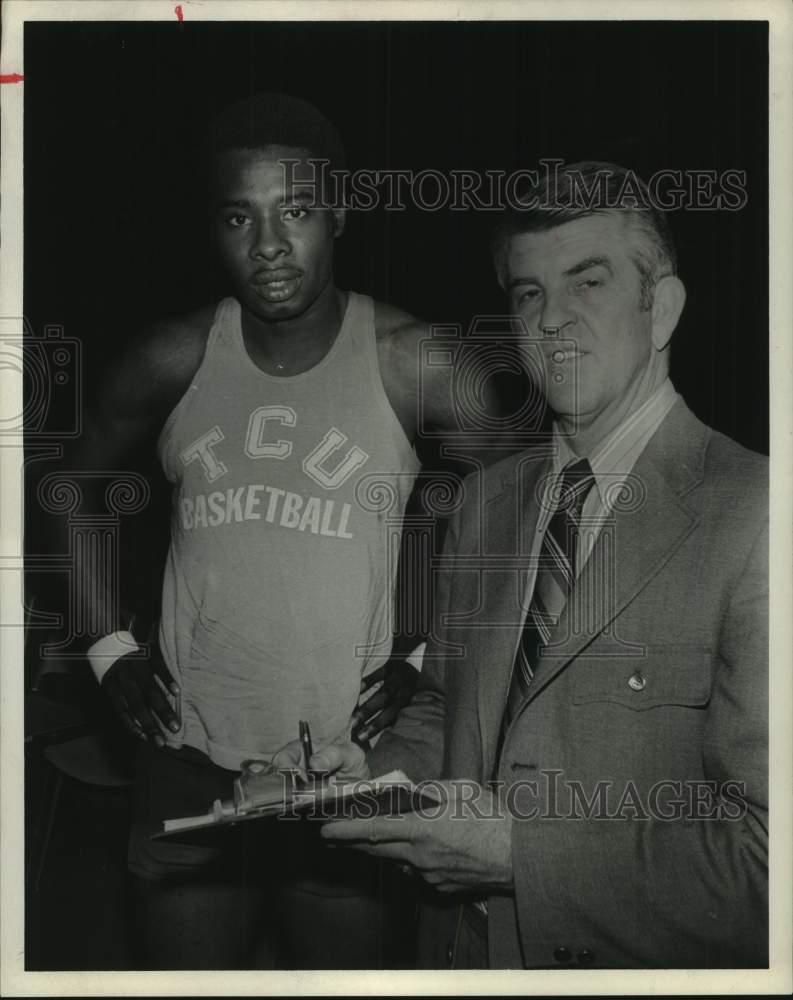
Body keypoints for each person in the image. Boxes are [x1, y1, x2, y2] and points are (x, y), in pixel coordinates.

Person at [296, 161, 769, 969]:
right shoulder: (483, 502)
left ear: (664, 309)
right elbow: (445, 710)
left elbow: (768, 867)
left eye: (589, 281)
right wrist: (370, 775)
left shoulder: (757, 515)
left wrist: (519, 854)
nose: (552, 319)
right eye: (527, 293)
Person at [65, 93, 498, 969]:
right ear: (212, 227)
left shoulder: (417, 361)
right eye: (239, 216)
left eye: (294, 211)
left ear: (337, 213)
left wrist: (424, 652)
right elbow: (71, 491)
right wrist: (107, 647)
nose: (268, 244)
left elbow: (511, 513)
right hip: (186, 753)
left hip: (347, 758)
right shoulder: (170, 356)